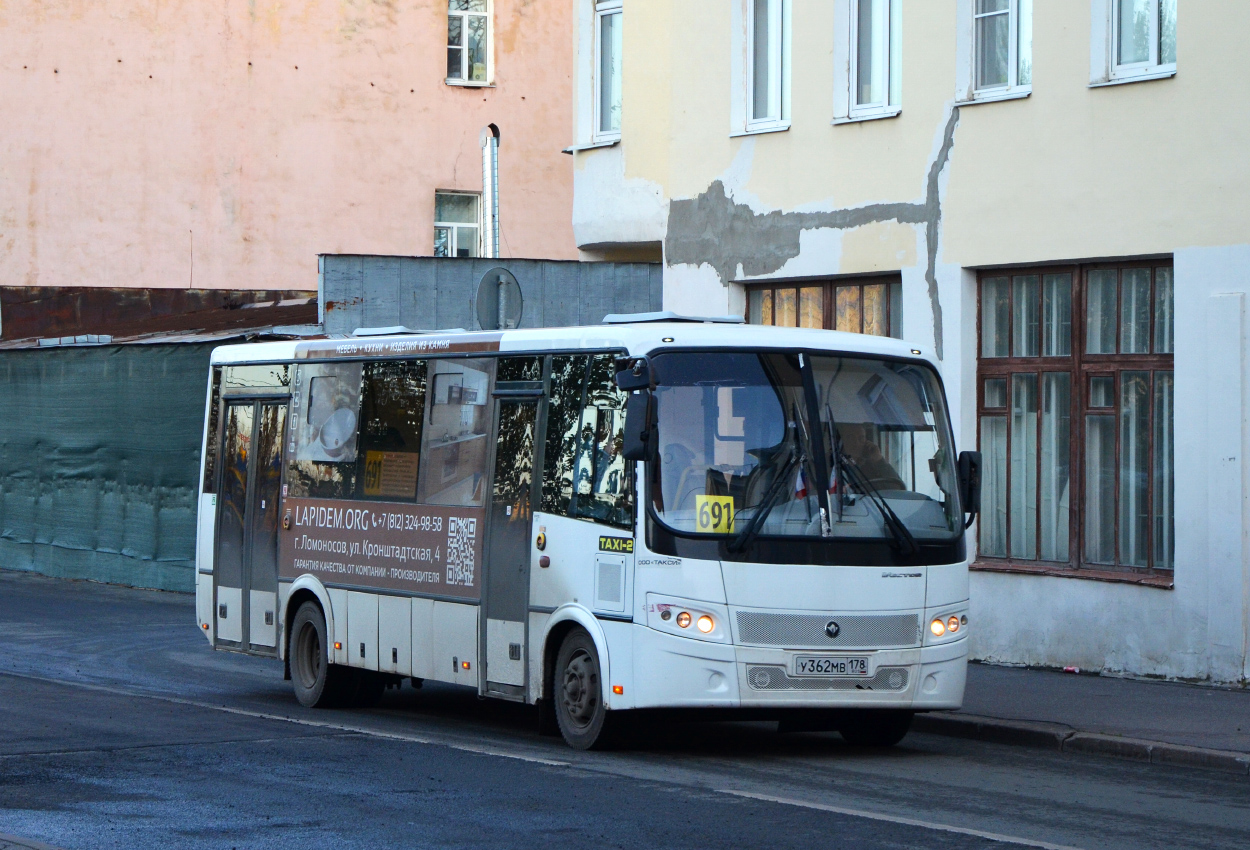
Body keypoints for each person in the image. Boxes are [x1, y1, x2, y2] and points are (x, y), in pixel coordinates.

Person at [836, 423, 906, 491]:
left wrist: (879, 459)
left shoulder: (871, 466)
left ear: (866, 442)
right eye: (851, 438)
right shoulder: (832, 463)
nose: (856, 443)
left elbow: (897, 488)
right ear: (842, 441)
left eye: (861, 438)